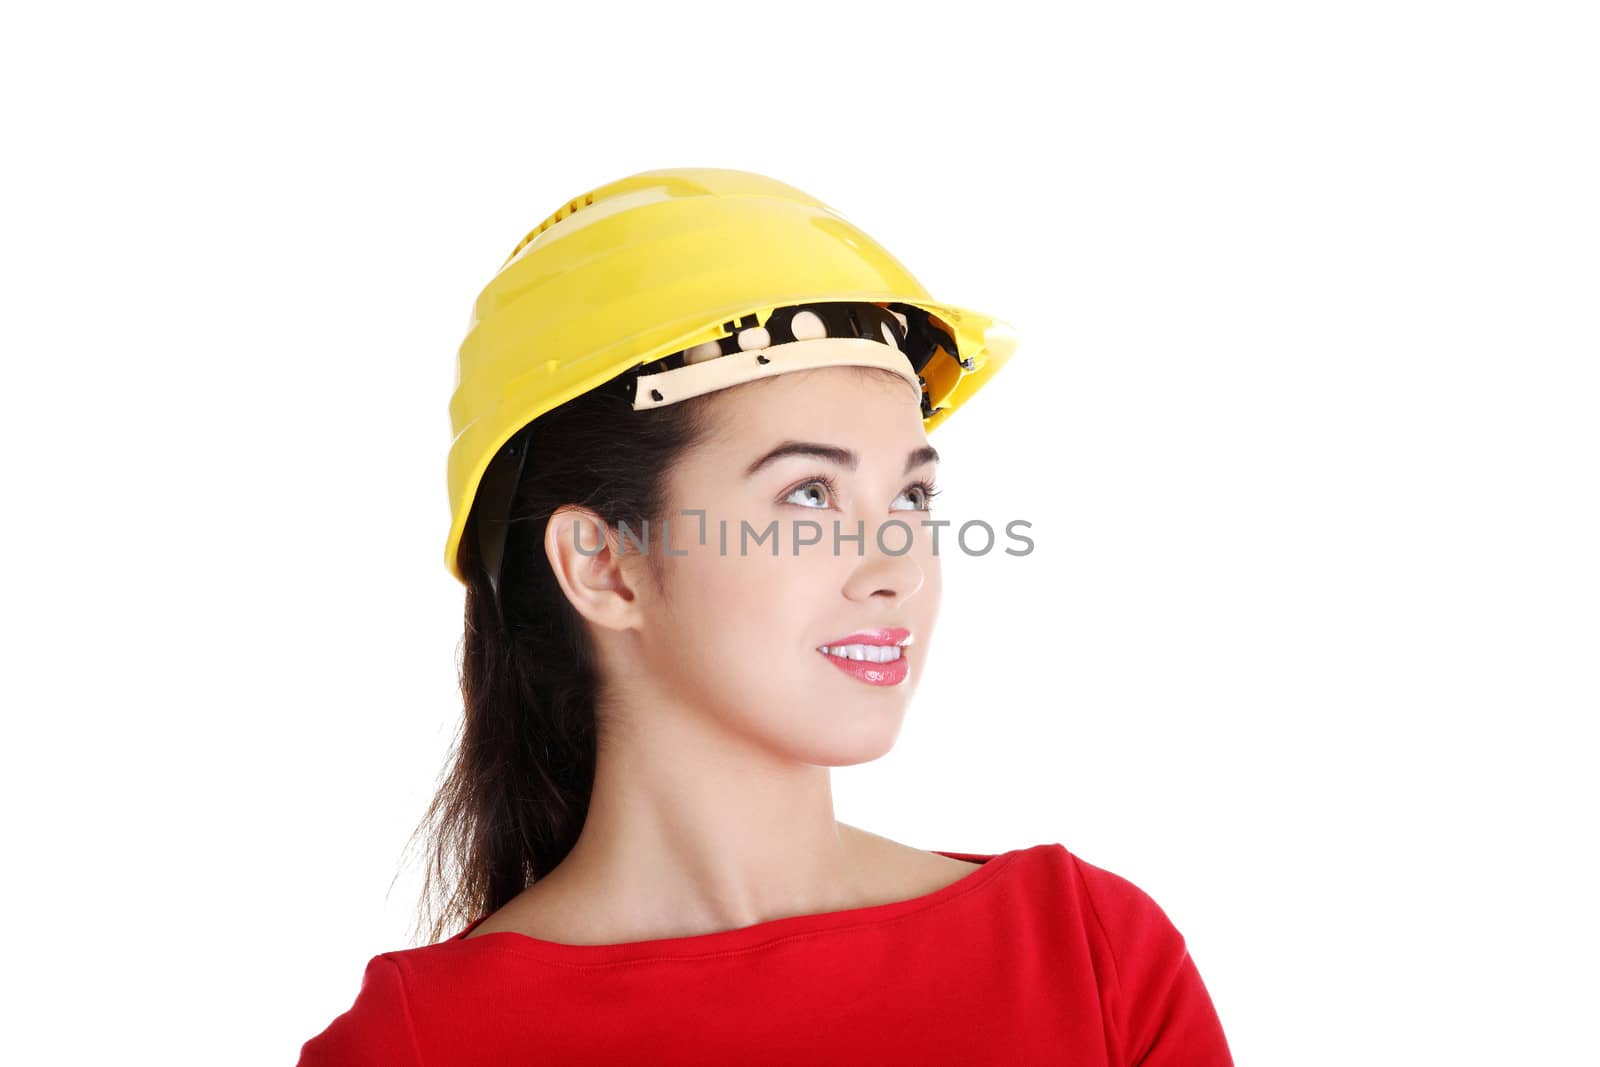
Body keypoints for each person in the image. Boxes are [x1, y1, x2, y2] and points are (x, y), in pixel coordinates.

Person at [296, 167, 1234, 1065]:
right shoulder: (421, 1046)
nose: (896, 567)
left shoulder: (1089, 958)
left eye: (912, 499)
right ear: (603, 565)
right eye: (811, 496)